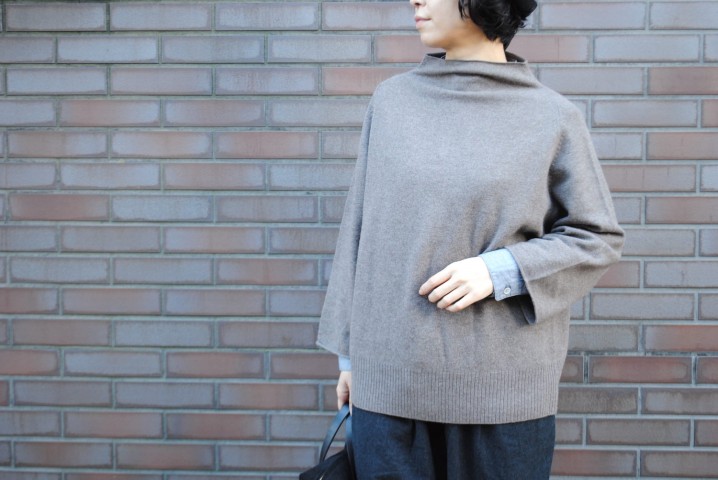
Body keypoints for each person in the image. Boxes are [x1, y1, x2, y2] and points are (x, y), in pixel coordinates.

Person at [317, 0, 624, 478]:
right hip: (389, 392)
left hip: (503, 399)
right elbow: (359, 228)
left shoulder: (551, 116)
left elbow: (596, 236)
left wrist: (498, 270)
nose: (416, 0)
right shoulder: (392, 102)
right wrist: (350, 357)